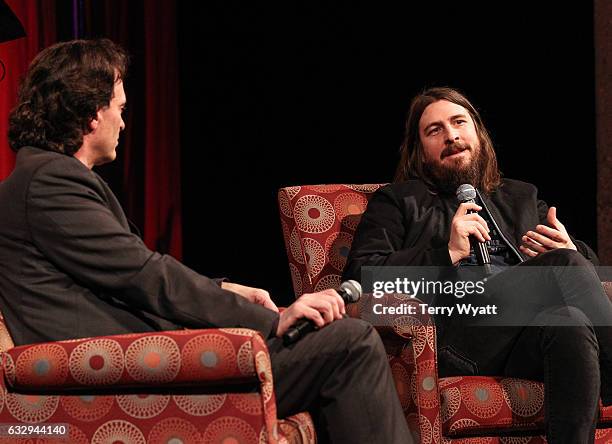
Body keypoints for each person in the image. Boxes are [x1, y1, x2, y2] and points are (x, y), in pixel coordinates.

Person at [0, 39, 412, 443]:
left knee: (334, 344)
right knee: (350, 343)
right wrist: (272, 322)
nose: (123, 123)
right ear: (91, 113)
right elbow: (143, 275)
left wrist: (223, 289)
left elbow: (120, 273)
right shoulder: (51, 182)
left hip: (145, 358)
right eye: (119, 109)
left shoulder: (42, 180)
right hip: (126, 371)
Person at [344, 87, 612, 443]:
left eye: (459, 123)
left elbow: (581, 276)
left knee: (571, 321)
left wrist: (572, 247)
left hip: (520, 343)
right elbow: (361, 277)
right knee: (561, 265)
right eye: (434, 130)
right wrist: (447, 254)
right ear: (420, 151)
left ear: (478, 134)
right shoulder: (398, 202)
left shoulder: (521, 196)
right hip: (458, 339)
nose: (451, 135)